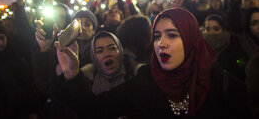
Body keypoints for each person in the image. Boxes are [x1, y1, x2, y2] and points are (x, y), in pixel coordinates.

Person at [55, 8, 250, 118]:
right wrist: (72, 74)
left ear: (191, 40)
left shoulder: (224, 85)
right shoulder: (146, 79)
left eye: (172, 35)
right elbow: (94, 109)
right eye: (157, 36)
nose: (161, 44)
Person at [80, 31, 135, 95]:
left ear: (120, 51)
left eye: (112, 48)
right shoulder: (87, 82)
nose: (107, 54)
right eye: (100, 51)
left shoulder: (136, 75)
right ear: (94, 57)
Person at [202, 15, 248, 81]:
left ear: (224, 30)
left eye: (216, 29)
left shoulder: (234, 47)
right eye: (208, 29)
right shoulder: (199, 48)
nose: (211, 33)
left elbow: (240, 71)